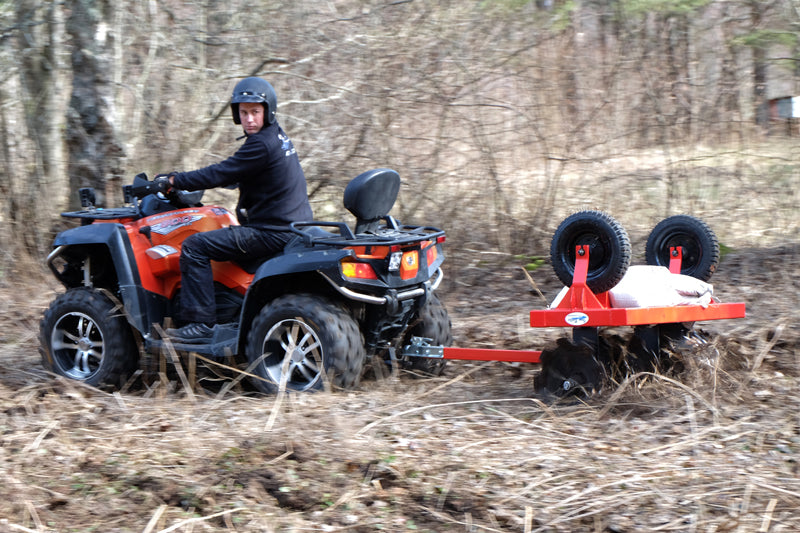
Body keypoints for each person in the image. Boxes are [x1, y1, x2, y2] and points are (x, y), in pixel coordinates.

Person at [159, 77, 313, 343]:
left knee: (195, 246)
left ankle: (200, 324)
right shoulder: (277, 137)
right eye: (243, 112)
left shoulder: (260, 144)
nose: (249, 119)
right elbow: (249, 171)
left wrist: (174, 180)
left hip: (270, 232)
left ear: (268, 110)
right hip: (293, 227)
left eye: (255, 111)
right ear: (236, 113)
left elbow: (219, 172)